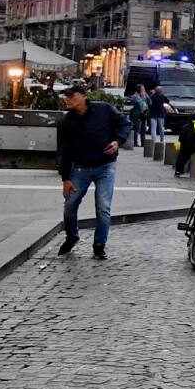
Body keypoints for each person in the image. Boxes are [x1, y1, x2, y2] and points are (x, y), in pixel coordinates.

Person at [55, 83, 131, 262]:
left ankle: (99, 245)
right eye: (66, 97)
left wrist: (117, 141)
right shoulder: (66, 122)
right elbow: (63, 151)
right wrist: (65, 178)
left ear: (83, 96)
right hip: (80, 167)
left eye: (72, 96)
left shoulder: (104, 110)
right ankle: (72, 236)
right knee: (70, 205)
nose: (68, 100)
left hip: (106, 166)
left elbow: (125, 124)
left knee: (103, 206)